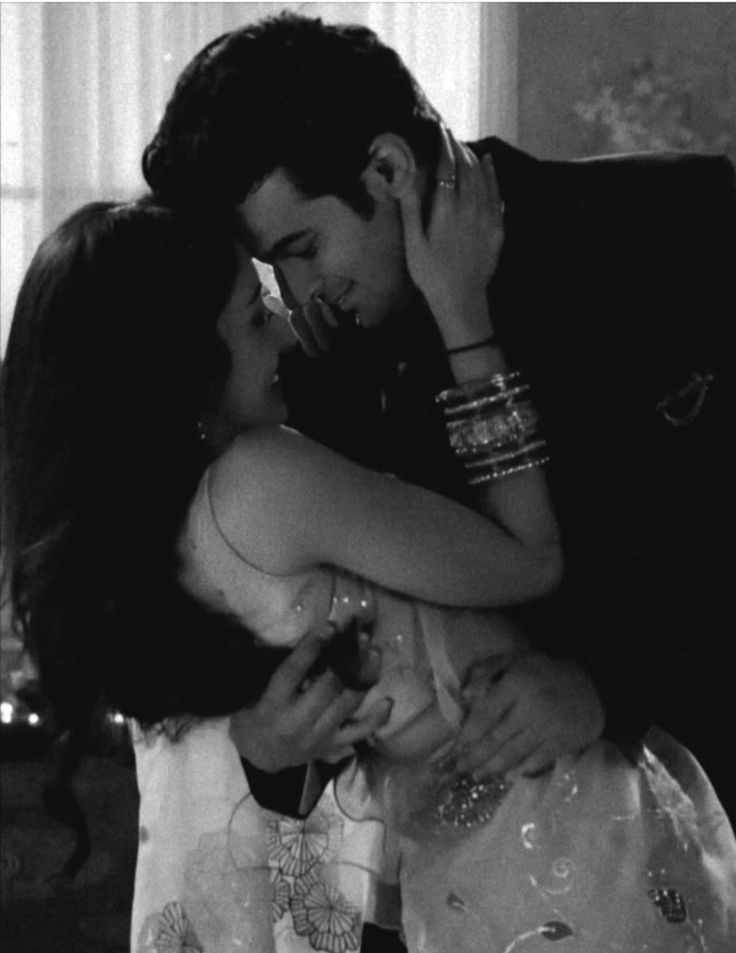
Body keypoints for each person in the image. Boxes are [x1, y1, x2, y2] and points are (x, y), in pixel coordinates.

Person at [3, 161, 735, 951]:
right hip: (559, 847)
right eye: (254, 315)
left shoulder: (164, 520)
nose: (286, 323)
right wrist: (464, 319)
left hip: (465, 881)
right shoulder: (259, 479)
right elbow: (530, 559)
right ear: (182, 366)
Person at [141, 11, 736, 821]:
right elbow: (325, 630)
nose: (303, 295)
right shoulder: (326, 364)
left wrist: (608, 685)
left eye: (305, 249)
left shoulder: (678, 221)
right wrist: (271, 744)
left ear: (387, 169)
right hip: (472, 865)